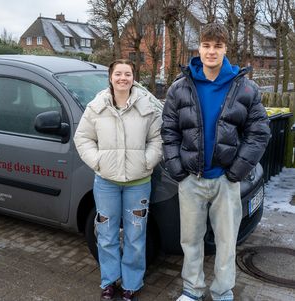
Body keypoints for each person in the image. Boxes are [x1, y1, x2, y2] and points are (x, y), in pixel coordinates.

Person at [161, 22, 271, 301]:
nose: (212, 51)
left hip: (225, 181)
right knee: (191, 241)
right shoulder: (180, 88)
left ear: (225, 49)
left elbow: (259, 132)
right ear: (199, 48)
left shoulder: (245, 88)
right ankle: (192, 290)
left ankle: (222, 292)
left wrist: (236, 172)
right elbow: (169, 130)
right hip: (191, 181)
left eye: (217, 46)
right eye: (207, 45)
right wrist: (178, 170)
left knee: (226, 242)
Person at [74, 59, 163, 301]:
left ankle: (132, 284)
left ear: (134, 77)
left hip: (138, 182)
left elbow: (157, 140)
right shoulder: (97, 106)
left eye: (128, 73)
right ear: (111, 77)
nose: (123, 78)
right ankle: (109, 281)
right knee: (106, 234)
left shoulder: (146, 106)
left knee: (135, 236)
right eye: (118, 74)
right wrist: (98, 162)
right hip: (106, 183)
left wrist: (147, 161)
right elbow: (82, 138)